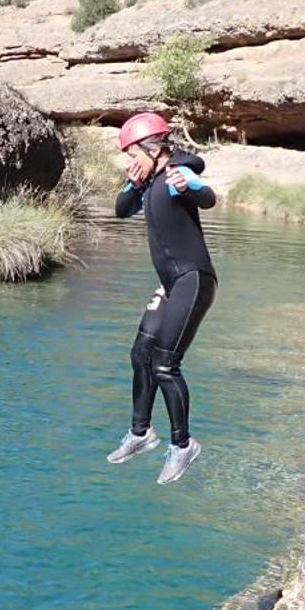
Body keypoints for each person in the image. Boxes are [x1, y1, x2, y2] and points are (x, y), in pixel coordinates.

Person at [105, 112, 217, 485]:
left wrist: (188, 185)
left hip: (194, 280)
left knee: (166, 365)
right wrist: (132, 183)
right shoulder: (148, 183)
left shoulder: (175, 177)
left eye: (131, 152)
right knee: (141, 354)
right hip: (171, 285)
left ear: (152, 149)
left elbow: (208, 197)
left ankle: (183, 445)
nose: (128, 160)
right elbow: (120, 211)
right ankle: (141, 434)